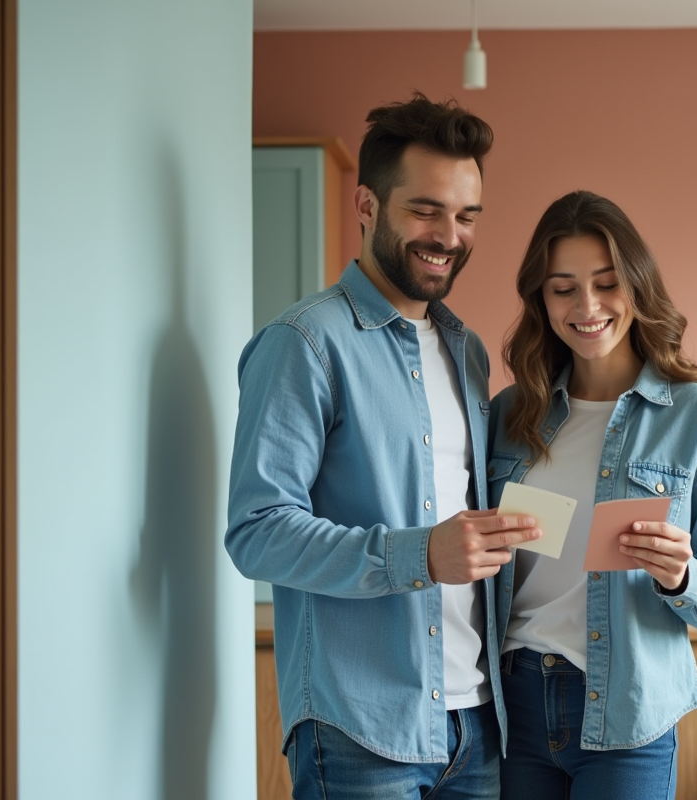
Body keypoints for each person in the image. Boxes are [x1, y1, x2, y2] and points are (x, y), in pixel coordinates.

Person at [225, 93, 541, 800]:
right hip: (359, 729)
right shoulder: (303, 344)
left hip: (477, 725)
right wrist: (420, 554)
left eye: (466, 215)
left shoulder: (466, 353)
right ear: (367, 205)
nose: (449, 235)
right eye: (425, 210)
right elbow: (256, 533)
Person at [486, 190, 697, 799]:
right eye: (563, 287)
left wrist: (681, 576)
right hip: (513, 703)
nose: (587, 306)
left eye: (607, 283)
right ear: (541, 299)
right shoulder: (509, 414)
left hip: (627, 713)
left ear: (637, 286)